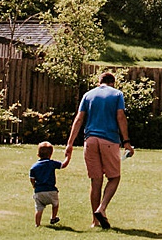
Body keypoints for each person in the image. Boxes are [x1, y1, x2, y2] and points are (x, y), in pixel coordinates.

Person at [63, 71, 133, 231]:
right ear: (113, 83)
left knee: (96, 181)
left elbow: (79, 119)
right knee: (114, 177)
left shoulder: (88, 95)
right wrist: (127, 142)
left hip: (90, 141)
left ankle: (95, 221)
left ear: (99, 82)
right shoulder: (117, 94)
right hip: (109, 140)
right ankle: (101, 208)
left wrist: (70, 143)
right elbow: (121, 117)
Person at [28, 141, 67, 227]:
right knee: (55, 204)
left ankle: (37, 224)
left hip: (39, 191)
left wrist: (34, 185)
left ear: (38, 154)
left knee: (39, 208)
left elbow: (32, 179)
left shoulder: (34, 167)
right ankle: (53, 217)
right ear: (50, 154)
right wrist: (68, 157)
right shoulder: (51, 163)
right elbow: (63, 165)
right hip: (51, 190)